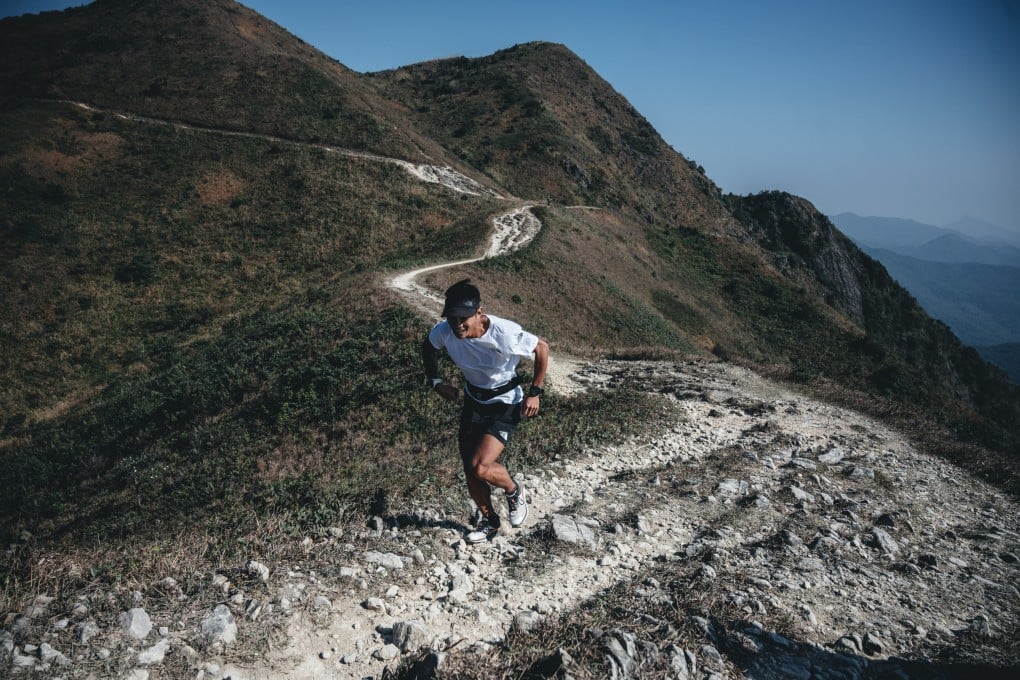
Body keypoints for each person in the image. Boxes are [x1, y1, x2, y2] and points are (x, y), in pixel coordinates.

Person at [421, 279, 549, 543]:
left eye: (463, 318)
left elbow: (542, 348)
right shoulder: (444, 331)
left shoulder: (504, 332)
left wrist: (535, 392)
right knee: (470, 469)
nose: (457, 324)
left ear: (479, 312)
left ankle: (514, 491)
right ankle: (490, 521)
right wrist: (436, 382)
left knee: (480, 467)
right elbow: (428, 347)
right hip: (473, 400)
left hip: (505, 402)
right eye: (452, 317)